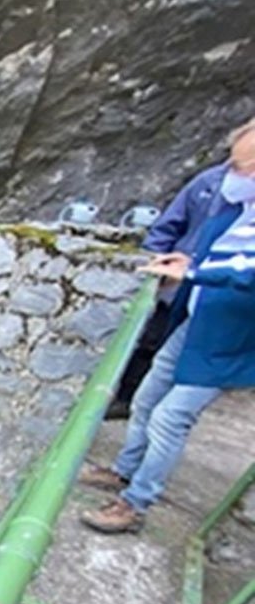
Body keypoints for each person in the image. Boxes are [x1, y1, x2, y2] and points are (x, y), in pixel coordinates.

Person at [80, 117, 255, 533]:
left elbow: (246, 271)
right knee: (145, 400)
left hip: (230, 342)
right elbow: (202, 247)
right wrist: (183, 263)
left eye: (245, 168)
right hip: (197, 322)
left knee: (170, 418)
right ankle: (124, 470)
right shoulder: (235, 206)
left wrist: (193, 274)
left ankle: (134, 505)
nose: (233, 175)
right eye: (235, 164)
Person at [106, 155, 231, 418]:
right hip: (173, 284)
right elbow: (170, 224)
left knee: (168, 353)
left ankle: (138, 402)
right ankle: (121, 398)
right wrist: (152, 261)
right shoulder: (210, 182)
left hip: (214, 295)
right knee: (145, 339)